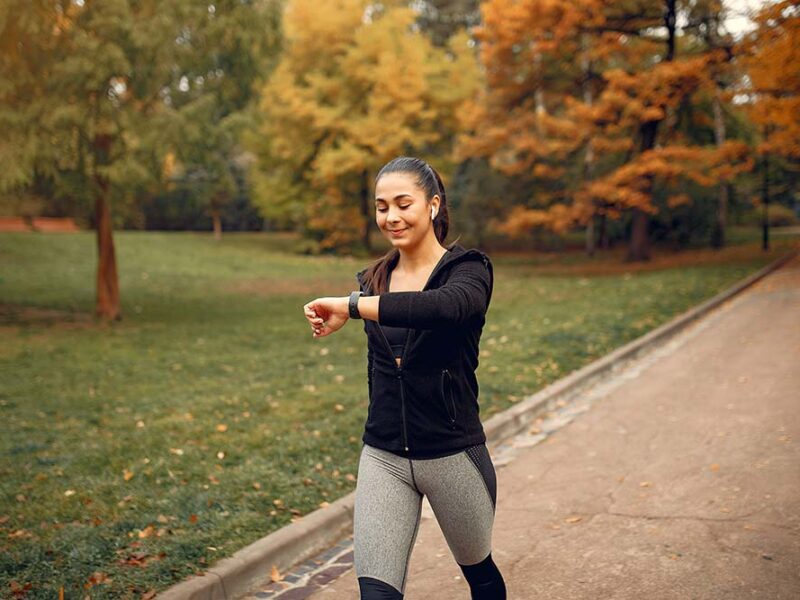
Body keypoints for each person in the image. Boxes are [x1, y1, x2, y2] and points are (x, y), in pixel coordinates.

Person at [302, 156, 506, 600]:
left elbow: (441, 309)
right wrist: (353, 306)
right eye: (381, 207)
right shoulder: (373, 279)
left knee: (481, 576)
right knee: (377, 593)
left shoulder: (468, 271)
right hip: (384, 458)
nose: (390, 217)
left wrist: (353, 306)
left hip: (452, 455)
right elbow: (382, 369)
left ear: (433, 205)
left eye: (403, 203)